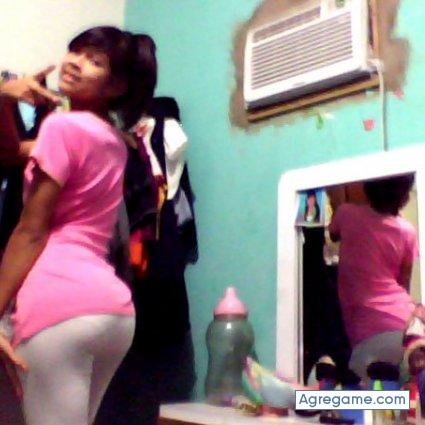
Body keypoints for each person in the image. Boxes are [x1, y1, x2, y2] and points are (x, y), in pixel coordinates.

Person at [0, 26, 157, 425]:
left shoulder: (61, 128)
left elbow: (31, 230)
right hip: (115, 313)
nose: (75, 62)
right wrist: (5, 97)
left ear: (116, 85)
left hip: (58, 301)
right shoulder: (116, 140)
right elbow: (11, 152)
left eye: (94, 60)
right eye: (76, 52)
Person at [329, 174, 418, 381]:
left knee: (364, 396)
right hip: (408, 325)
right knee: (410, 395)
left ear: (366, 187)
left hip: (369, 334)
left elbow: (333, 234)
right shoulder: (407, 231)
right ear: (405, 198)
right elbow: (404, 282)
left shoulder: (346, 214)